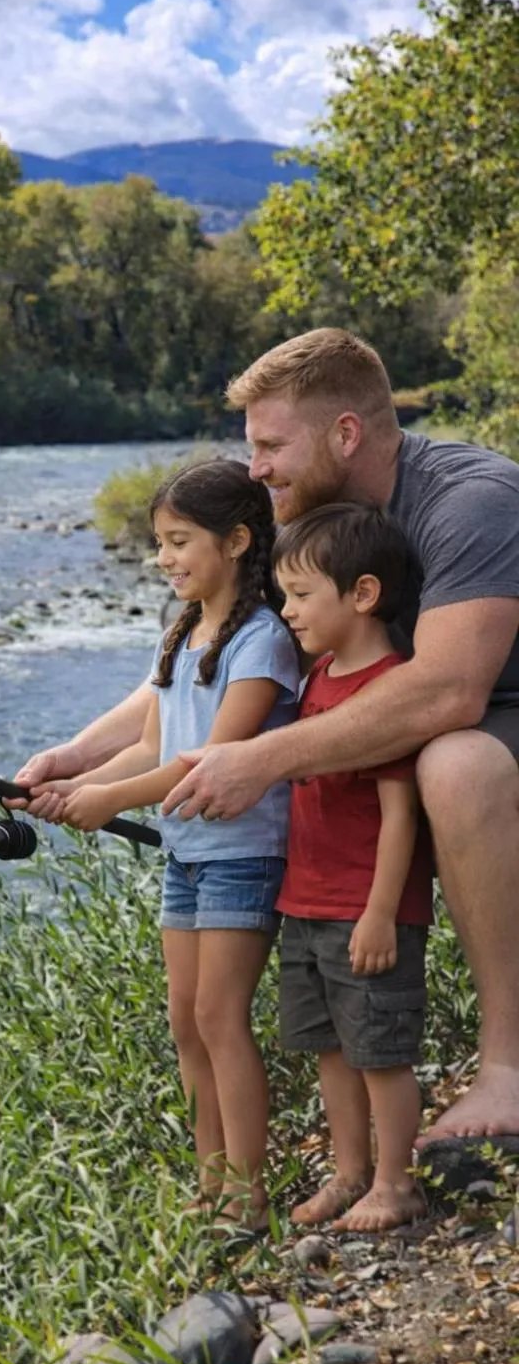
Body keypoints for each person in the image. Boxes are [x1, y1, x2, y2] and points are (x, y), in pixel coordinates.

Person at [16, 328, 519, 1151]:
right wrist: (80, 756)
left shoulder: (471, 500)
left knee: (455, 765)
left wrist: (258, 759)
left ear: (345, 435)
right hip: (432, 725)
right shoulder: (311, 522)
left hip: (497, 705)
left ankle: (506, 1066)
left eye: (271, 445)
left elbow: (450, 688)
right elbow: (202, 667)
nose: (256, 470)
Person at [53, 458, 300, 1226]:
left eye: (178, 540)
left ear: (235, 541)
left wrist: (108, 802)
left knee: (222, 1020)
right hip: (185, 857)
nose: (163, 558)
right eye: (158, 542)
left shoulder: (262, 642)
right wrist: (71, 787)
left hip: (244, 857)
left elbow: (211, 763)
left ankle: (249, 1196)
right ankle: (210, 1183)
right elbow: (152, 753)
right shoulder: (181, 634)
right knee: (185, 1022)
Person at [273, 503, 432, 1232]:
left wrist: (379, 911)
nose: (287, 610)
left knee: (380, 1054)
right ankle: (349, 1173)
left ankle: (397, 1184)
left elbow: (401, 816)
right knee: (331, 1051)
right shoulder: (318, 678)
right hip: (305, 905)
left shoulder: (388, 690)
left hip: (364, 910)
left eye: (301, 595)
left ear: (362, 595)